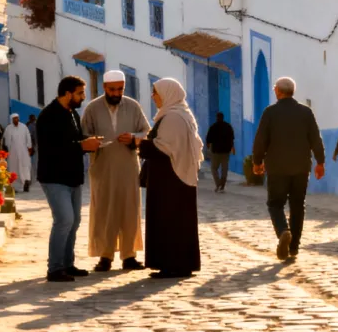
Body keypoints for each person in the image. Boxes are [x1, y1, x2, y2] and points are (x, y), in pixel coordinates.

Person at [81, 70, 151, 272]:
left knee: (129, 210)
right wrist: (93, 142)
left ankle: (129, 255)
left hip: (128, 167)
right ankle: (105, 256)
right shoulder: (92, 109)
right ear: (104, 88)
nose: (116, 93)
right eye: (112, 89)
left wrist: (134, 138)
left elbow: (146, 132)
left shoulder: (133, 106)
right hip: (102, 168)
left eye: (120, 89)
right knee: (104, 211)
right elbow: (84, 134)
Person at [37, 76, 103, 283]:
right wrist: (82, 146)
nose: (83, 97)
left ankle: (67, 264)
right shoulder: (48, 116)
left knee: (74, 222)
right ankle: (54, 268)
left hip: (72, 176)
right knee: (64, 220)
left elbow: (72, 140)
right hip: (54, 177)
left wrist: (89, 142)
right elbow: (51, 148)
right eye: (80, 93)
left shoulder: (72, 113)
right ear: (68, 94)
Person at [252, 77, 324, 262]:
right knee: (298, 205)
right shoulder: (305, 112)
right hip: (301, 167)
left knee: (275, 204)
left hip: (277, 168)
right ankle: (294, 247)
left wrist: (257, 161)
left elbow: (261, 140)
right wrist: (320, 162)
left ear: (277, 91)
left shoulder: (270, 113)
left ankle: (284, 231)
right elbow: (315, 138)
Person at [138, 78, 202, 279]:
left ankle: (172, 265)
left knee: (169, 222)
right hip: (172, 178)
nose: (153, 96)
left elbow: (163, 148)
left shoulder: (173, 118)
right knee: (175, 222)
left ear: (167, 94)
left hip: (171, 180)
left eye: (155, 93)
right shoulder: (178, 114)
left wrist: (139, 143)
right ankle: (175, 264)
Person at [205, 112, 236, 193]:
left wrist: (208, 149)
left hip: (215, 152)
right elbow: (232, 139)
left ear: (217, 118)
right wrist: (232, 148)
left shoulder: (213, 127)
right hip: (226, 152)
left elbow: (208, 140)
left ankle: (218, 183)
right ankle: (222, 185)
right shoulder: (228, 127)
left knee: (214, 168)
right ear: (223, 117)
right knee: (224, 169)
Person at [2, 114, 33, 193]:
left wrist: (29, 147)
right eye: (14, 118)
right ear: (12, 119)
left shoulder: (23, 127)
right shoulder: (8, 128)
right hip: (13, 152)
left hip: (23, 151)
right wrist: (7, 149)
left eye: (17, 118)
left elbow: (28, 137)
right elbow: (6, 140)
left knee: (25, 167)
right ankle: (14, 187)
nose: (16, 120)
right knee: (14, 168)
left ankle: (26, 182)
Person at [27, 115, 39, 189]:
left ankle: (35, 175)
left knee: (35, 161)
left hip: (35, 145)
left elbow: (30, 136)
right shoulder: (38, 125)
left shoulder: (30, 126)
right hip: (39, 144)